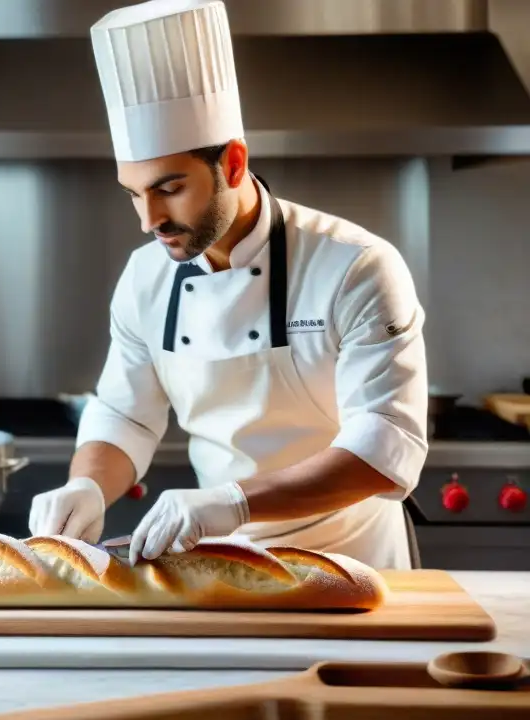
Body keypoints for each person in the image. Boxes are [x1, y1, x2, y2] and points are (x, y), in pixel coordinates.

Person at [27, 0, 428, 570]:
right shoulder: (145, 278)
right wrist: (88, 487)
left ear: (234, 164)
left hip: (355, 565)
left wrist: (234, 502)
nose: (148, 219)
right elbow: (125, 415)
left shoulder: (356, 267)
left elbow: (385, 449)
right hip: (225, 565)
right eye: (133, 193)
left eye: (169, 188)